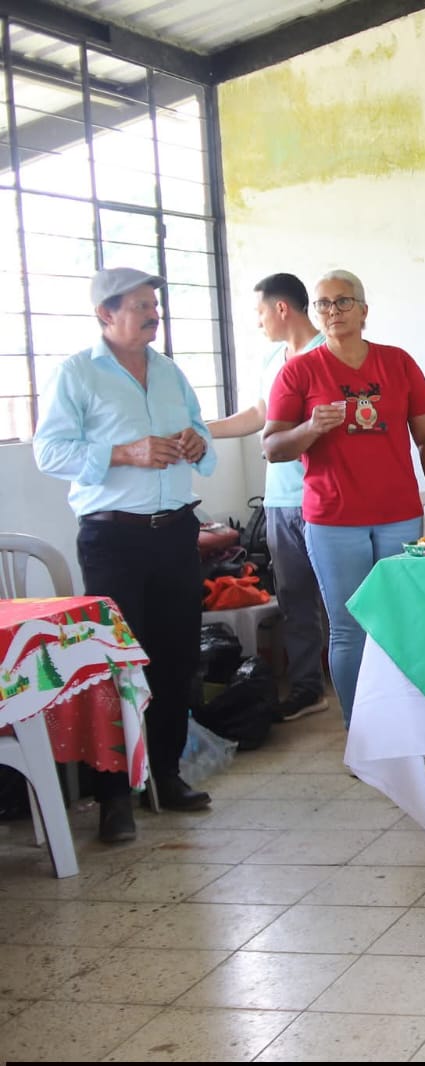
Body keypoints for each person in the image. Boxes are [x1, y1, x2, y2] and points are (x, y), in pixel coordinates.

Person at [33, 268, 216, 843]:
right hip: (114, 539)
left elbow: (201, 434)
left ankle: (166, 773)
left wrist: (197, 442)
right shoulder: (77, 373)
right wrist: (122, 453)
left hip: (175, 533)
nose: (153, 314)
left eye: (154, 305)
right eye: (140, 305)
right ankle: (113, 796)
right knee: (114, 664)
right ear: (105, 314)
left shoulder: (169, 372)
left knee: (176, 657)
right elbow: (49, 452)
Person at [262, 270, 425, 727]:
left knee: (400, 625)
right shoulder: (298, 371)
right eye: (324, 304)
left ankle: (409, 730)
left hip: (399, 516)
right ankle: (362, 732)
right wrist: (311, 428)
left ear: (364, 311)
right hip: (333, 519)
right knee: (350, 628)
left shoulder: (398, 363)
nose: (333, 311)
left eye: (343, 301)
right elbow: (272, 446)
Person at [206, 273, 329, 721]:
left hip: (325, 496)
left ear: (282, 308)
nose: (257, 322)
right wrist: (202, 431)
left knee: (342, 599)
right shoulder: (272, 358)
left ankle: (360, 688)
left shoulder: (329, 353)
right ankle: (307, 688)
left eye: (260, 312)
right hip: (280, 498)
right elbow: (261, 415)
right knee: (295, 599)